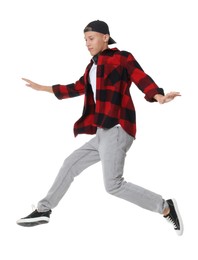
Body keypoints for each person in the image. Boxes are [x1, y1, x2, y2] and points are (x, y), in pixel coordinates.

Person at [17, 20, 183, 235]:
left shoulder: (122, 58)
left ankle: (165, 207)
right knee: (70, 164)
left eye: (91, 38)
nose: (87, 43)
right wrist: (43, 88)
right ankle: (43, 210)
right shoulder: (91, 67)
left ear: (105, 37)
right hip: (102, 132)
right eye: (85, 40)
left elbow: (140, 77)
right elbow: (76, 88)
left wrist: (158, 96)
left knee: (113, 185)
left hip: (118, 128)